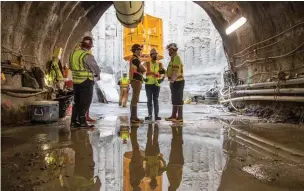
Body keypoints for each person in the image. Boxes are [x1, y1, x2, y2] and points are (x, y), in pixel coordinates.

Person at [69, 31, 101, 128]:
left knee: (77, 102)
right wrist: (97, 75)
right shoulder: (87, 56)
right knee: (85, 102)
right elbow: (96, 69)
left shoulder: (73, 54)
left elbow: (70, 66)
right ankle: (83, 122)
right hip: (86, 81)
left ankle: (74, 122)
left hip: (76, 82)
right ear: (90, 46)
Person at [143, 48, 166, 121]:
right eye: (154, 54)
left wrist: (162, 79)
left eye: (156, 54)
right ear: (151, 55)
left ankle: (156, 116)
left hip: (156, 84)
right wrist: (143, 78)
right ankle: (149, 115)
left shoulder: (160, 64)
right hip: (148, 84)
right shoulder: (146, 63)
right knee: (149, 100)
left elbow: (163, 73)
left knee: (155, 100)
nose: (156, 55)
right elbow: (140, 72)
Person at [165, 43, 185, 123]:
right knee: (174, 99)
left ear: (173, 50)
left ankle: (180, 117)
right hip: (174, 82)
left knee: (178, 99)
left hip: (178, 82)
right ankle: (173, 116)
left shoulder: (176, 58)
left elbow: (176, 72)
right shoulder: (172, 59)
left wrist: (172, 81)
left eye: (169, 50)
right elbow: (170, 71)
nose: (168, 52)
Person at [143, 123, 166, 190]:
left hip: (149, 154)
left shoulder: (147, 174)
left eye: (153, 183)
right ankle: (155, 126)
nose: (154, 181)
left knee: (150, 139)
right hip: (155, 154)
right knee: (153, 139)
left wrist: (144, 160)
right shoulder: (158, 173)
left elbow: (143, 167)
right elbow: (164, 167)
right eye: (154, 183)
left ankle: (151, 125)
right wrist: (161, 159)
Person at [129, 44, 146, 123]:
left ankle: (133, 116)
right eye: (139, 49)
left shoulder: (134, 59)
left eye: (140, 49)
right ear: (135, 50)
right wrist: (144, 69)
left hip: (135, 80)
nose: (140, 51)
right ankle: (134, 117)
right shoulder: (136, 59)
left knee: (134, 98)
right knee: (135, 98)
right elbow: (143, 69)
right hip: (136, 80)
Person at [167, 125, 184, 191]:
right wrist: (167, 166)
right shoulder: (173, 183)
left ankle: (179, 128)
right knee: (175, 144)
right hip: (174, 162)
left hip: (179, 163)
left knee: (178, 145)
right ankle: (175, 128)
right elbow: (169, 172)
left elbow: (180, 174)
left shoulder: (176, 184)